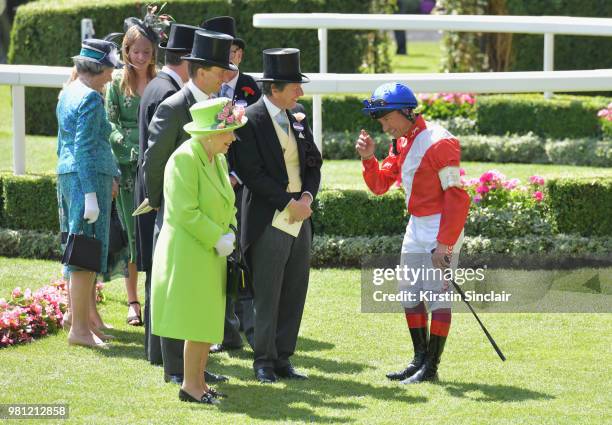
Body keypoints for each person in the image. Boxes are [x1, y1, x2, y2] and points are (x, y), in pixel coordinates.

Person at [356, 82, 470, 383]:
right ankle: (419, 360)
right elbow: (380, 185)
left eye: (386, 119)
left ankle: (431, 367)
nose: (384, 127)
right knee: (408, 291)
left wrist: (445, 244)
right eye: (379, 122)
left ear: (406, 111)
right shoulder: (402, 142)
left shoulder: (440, 142)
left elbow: (457, 197)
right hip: (416, 224)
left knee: (437, 297)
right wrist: (369, 158)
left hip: (440, 225)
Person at [143, 28, 235, 385]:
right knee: (173, 291)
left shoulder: (217, 106)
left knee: (194, 296)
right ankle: (174, 368)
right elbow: (154, 161)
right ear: (199, 71)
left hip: (204, 215)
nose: (225, 76)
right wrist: (157, 205)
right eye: (218, 69)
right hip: (177, 212)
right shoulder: (174, 105)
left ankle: (193, 367)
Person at [233, 48, 322, 383]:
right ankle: (263, 360)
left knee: (295, 288)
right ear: (274, 89)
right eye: (294, 86)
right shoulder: (249, 120)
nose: (300, 92)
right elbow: (251, 173)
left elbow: (313, 162)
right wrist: (288, 202)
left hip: (301, 216)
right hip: (269, 218)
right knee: (267, 293)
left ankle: (283, 358)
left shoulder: (297, 116)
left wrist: (308, 197)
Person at [151, 97, 246, 404]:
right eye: (228, 131)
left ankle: (199, 382)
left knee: (207, 320)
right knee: (195, 321)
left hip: (211, 252)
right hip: (188, 253)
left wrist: (229, 231)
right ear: (209, 133)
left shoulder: (216, 157)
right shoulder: (184, 159)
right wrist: (217, 236)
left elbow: (227, 203)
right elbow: (184, 211)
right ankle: (190, 387)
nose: (232, 137)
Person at [135, 22, 198, 365]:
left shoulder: (159, 85)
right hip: (159, 198)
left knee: (159, 277)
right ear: (189, 61)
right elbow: (156, 156)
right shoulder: (166, 93)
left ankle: (158, 351)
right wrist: (159, 200)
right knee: (162, 279)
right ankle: (160, 351)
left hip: (154, 196)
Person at [56, 38, 122, 348]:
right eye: (110, 69)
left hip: (71, 177)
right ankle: (80, 330)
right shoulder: (91, 99)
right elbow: (83, 149)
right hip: (87, 180)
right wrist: (90, 196)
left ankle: (78, 318)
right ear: (99, 68)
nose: (112, 75)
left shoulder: (68, 91)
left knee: (77, 248)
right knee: (85, 252)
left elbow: (63, 146)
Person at [201, 15, 261, 354]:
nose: (229, 58)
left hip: (243, 185)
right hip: (211, 182)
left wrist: (237, 176)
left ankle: (247, 327)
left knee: (241, 254)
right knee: (216, 253)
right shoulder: (205, 89)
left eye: (233, 51)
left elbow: (255, 141)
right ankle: (222, 330)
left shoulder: (252, 88)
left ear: (238, 53)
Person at [106, 16, 159, 327]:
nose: (140, 57)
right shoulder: (115, 83)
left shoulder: (160, 81)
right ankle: (132, 301)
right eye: (135, 51)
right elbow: (109, 125)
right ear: (125, 50)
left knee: (153, 233)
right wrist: (134, 148)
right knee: (130, 235)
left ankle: (155, 297)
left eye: (146, 52)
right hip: (127, 173)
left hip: (155, 166)